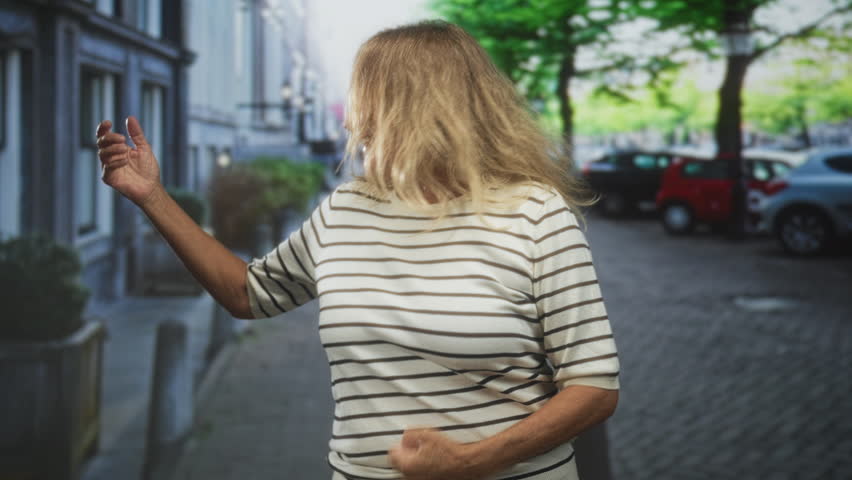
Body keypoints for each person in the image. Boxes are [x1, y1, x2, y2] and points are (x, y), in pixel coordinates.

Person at [96, 20, 620, 480]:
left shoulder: (535, 212)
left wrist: (468, 464)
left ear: (417, 108)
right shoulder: (347, 208)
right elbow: (246, 292)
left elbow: (594, 387)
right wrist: (152, 197)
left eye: (364, 98)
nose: (352, 121)